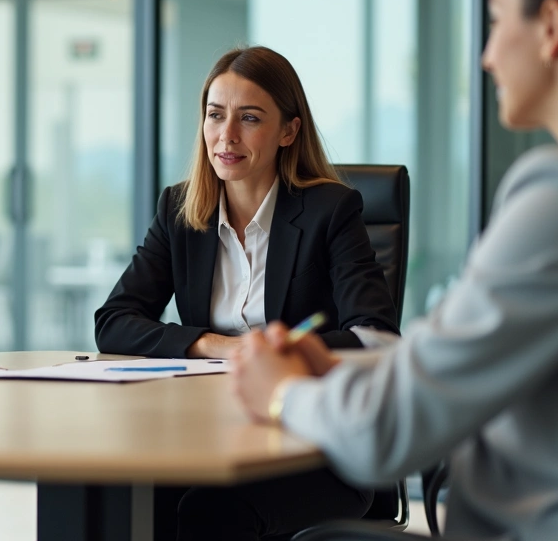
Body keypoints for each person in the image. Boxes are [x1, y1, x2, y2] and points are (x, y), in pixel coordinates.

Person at [232, 0, 558, 540]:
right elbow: (462, 365)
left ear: (552, 27)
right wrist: (338, 371)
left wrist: (283, 395)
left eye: (498, 21)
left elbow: (386, 437)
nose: (487, 55)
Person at [95, 46, 400, 539]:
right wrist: (214, 345)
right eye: (215, 116)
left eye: (249, 118)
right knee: (120, 497)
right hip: (206, 433)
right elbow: (114, 320)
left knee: (210, 512)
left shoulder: (331, 210)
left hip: (316, 447)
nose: (226, 136)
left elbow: (376, 338)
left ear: (288, 131)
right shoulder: (180, 210)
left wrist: (278, 354)